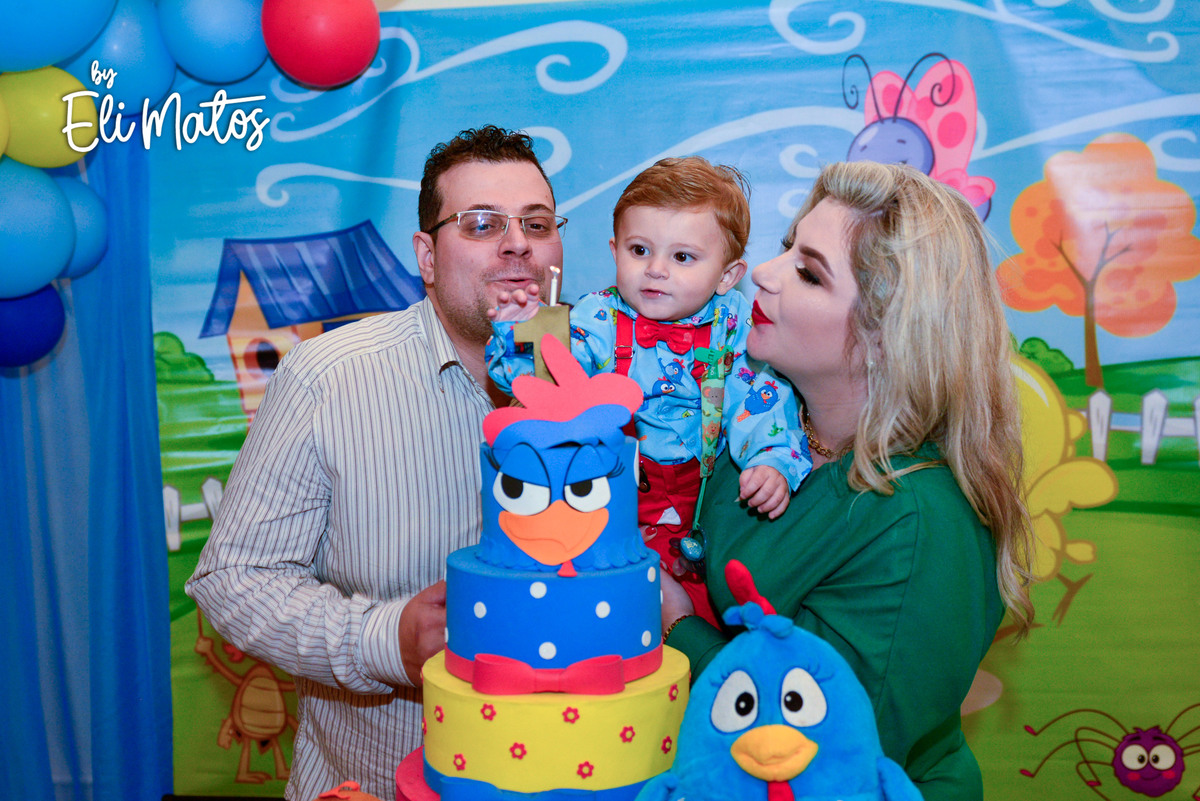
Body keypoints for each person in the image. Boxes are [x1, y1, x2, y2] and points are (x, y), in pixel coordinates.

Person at [185, 125, 566, 801]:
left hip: (571, 775)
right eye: (482, 224)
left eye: (536, 223)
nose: (517, 243)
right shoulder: (329, 376)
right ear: (426, 255)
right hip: (376, 781)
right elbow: (234, 580)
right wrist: (386, 640)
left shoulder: (608, 377)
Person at [660, 161, 1035, 801]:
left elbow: (826, 746)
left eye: (809, 272)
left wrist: (676, 631)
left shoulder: (919, 523)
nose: (764, 272)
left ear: (886, 335)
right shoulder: (762, 430)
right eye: (787, 247)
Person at [484, 156, 810, 626]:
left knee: (712, 608)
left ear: (727, 275)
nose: (655, 270)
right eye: (639, 250)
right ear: (615, 251)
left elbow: (762, 397)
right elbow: (547, 387)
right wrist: (521, 335)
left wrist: (771, 460)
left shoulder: (735, 325)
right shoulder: (597, 317)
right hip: (610, 491)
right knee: (601, 606)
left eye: (682, 257)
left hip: (704, 501)